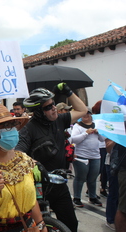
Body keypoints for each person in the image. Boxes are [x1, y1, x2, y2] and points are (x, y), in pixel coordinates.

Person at [16, 84, 87, 232]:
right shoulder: (28, 129)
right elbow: (18, 154)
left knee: (71, 224)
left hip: (59, 183)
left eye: (53, 104)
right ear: (38, 112)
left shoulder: (59, 120)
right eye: (48, 107)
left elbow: (82, 110)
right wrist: (34, 164)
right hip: (38, 185)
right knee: (40, 226)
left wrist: (69, 92)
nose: (53, 108)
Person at [70, 109, 105, 207]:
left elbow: (103, 139)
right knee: (80, 177)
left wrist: (99, 132)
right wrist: (86, 133)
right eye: (84, 114)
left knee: (93, 178)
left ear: (91, 115)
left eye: (88, 113)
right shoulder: (78, 126)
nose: (86, 115)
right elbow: (74, 139)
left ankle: (92, 197)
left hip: (95, 156)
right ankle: (76, 198)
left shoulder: (96, 125)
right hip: (81, 156)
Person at [91, 100, 109, 198]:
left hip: (105, 145)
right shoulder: (96, 119)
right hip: (100, 146)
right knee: (99, 169)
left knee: (104, 169)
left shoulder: (105, 118)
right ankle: (91, 188)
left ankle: (103, 186)